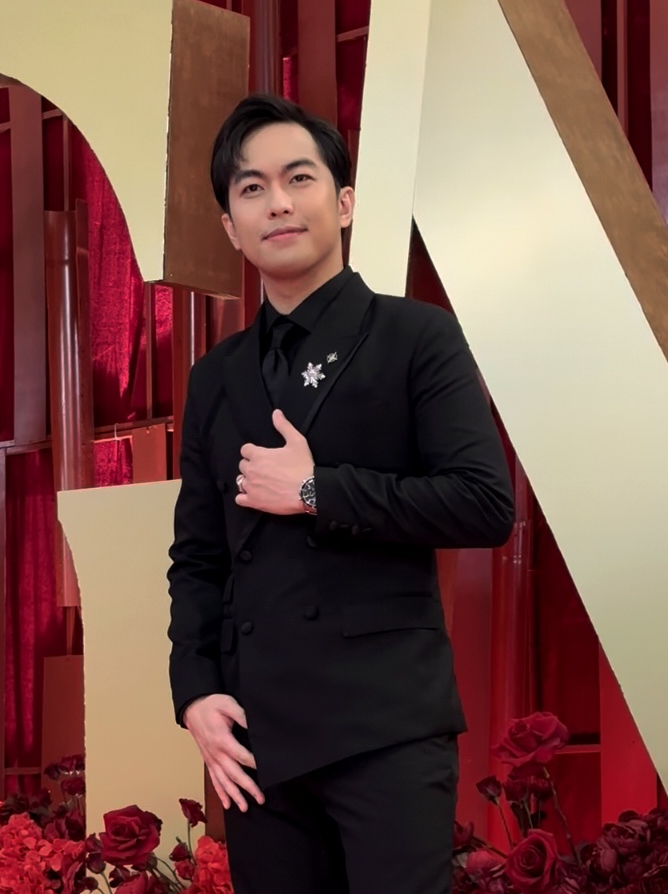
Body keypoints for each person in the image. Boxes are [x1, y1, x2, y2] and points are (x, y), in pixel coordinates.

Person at [167, 94, 514, 894]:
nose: (277, 202)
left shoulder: (415, 336)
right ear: (230, 227)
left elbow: (482, 502)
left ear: (344, 201)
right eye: (251, 188)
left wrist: (318, 490)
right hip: (257, 736)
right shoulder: (216, 376)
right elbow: (198, 556)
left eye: (299, 178)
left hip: (385, 726)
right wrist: (196, 690)